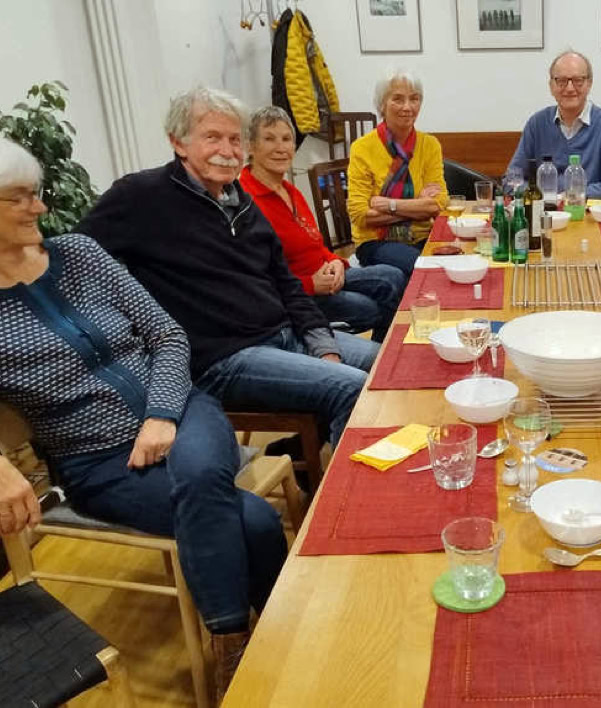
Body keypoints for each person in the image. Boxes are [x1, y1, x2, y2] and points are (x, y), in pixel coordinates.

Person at [0, 137, 285, 697]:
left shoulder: (80, 253)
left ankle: (231, 654)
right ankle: (265, 634)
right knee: (252, 520)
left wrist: (161, 414)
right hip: (98, 461)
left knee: (201, 478)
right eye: (20, 198)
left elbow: (167, 334)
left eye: (37, 194)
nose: (40, 207)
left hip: (183, 409)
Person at [76, 86, 378, 448]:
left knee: (383, 363)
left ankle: (299, 453)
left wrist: (323, 345)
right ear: (178, 142)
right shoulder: (140, 196)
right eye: (212, 137)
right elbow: (74, 258)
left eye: (235, 139)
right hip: (223, 358)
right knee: (351, 387)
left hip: (283, 335)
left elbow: (286, 284)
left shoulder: (244, 204)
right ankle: (345, 481)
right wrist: (128, 325)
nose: (228, 150)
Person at [240, 106, 405, 342]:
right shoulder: (246, 202)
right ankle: (379, 352)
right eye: (269, 139)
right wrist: (310, 284)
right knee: (371, 307)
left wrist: (336, 262)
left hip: (326, 273)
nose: (280, 147)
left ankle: (384, 349)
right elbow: (260, 280)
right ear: (250, 146)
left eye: (286, 139)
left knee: (393, 276)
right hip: (299, 293)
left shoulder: (290, 191)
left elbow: (315, 243)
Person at [347, 69, 447, 278]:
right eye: (398, 99)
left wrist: (389, 204)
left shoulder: (430, 145)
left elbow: (438, 204)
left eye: (414, 99)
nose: (407, 107)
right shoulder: (362, 148)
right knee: (425, 269)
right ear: (382, 104)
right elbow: (359, 214)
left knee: (457, 259)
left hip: (422, 236)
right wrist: (417, 205)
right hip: (375, 241)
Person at [506, 50, 601, 199]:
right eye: (561, 81)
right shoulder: (536, 124)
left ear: (589, 84)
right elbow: (510, 182)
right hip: (543, 210)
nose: (570, 88)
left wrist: (572, 195)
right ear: (551, 86)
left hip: (587, 211)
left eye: (578, 80)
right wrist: (543, 196)